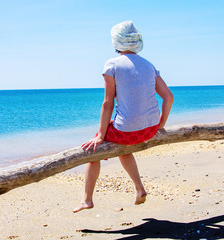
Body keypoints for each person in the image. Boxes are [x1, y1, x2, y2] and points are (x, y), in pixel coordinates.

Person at [73, 21, 174, 213]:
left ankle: (87, 199)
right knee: (124, 149)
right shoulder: (149, 65)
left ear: (116, 42)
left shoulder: (112, 64)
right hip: (150, 130)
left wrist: (100, 136)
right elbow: (169, 97)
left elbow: (108, 103)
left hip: (128, 132)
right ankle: (139, 188)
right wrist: (160, 124)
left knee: (92, 151)